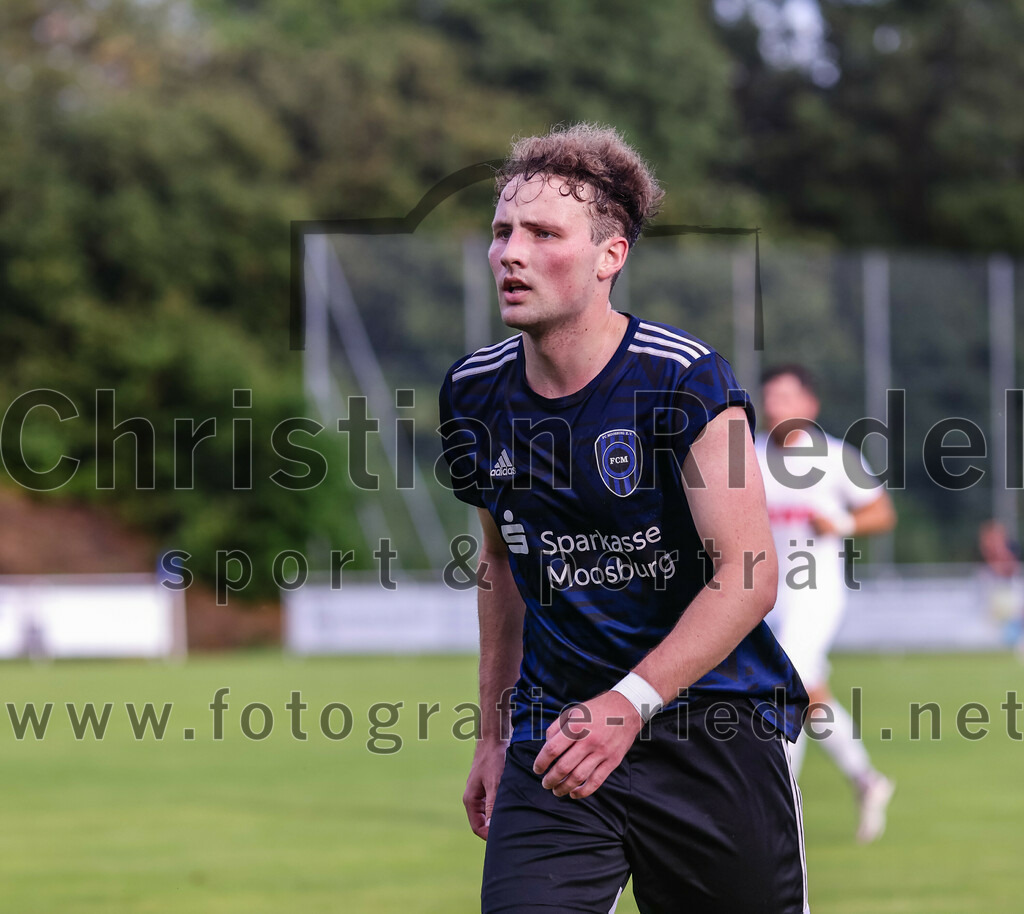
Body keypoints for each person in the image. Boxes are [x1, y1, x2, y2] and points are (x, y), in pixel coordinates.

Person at [439, 124, 810, 913]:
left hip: (708, 728)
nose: (511, 252)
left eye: (544, 233)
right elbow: (501, 564)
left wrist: (627, 704)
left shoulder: (684, 379)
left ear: (611, 257)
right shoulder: (472, 393)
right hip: (559, 735)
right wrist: (495, 733)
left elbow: (750, 574)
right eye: (503, 230)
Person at [756, 364, 897, 843]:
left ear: (809, 406)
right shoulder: (747, 458)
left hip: (816, 594)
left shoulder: (836, 457)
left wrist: (842, 523)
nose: (777, 407)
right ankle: (866, 779)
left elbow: (881, 511)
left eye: (787, 398)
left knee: (787, 682)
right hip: (763, 598)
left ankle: (779, 803)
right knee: (812, 694)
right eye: (770, 397)